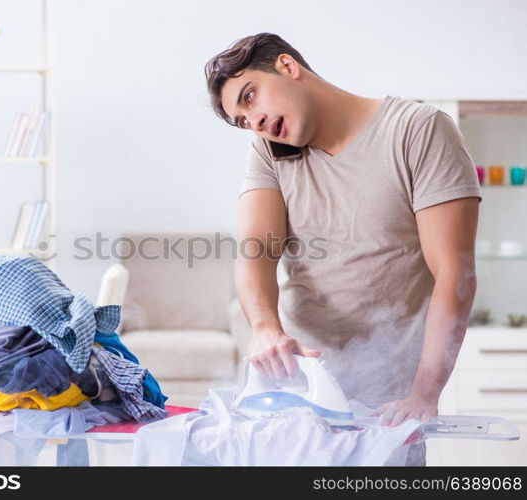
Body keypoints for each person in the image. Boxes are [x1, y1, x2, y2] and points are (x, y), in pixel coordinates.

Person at [204, 33, 481, 465]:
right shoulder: (268, 153)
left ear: (287, 66)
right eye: (242, 119)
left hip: (389, 403)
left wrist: (425, 393)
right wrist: (263, 327)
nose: (253, 122)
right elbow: (257, 250)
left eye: (250, 96)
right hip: (299, 391)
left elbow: (455, 274)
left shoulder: (417, 130)